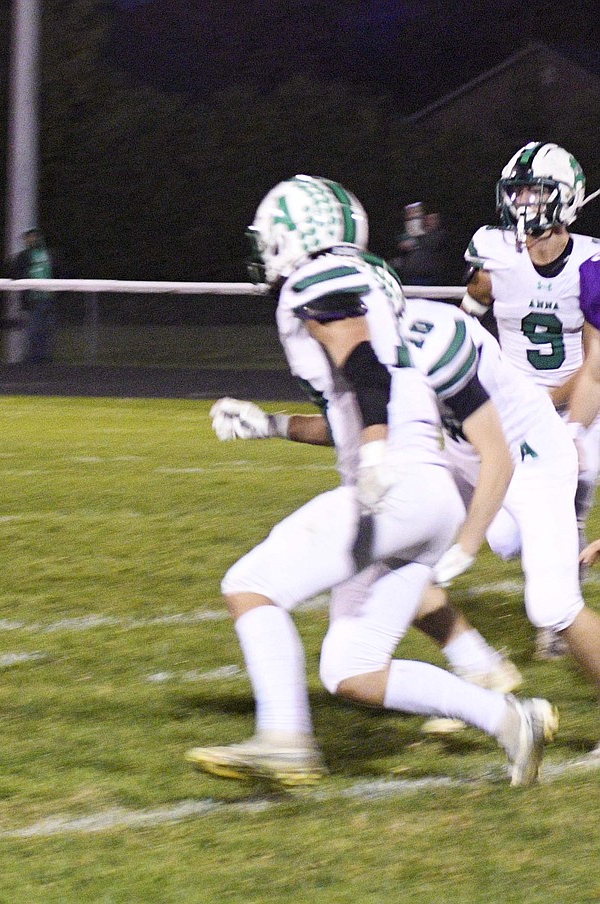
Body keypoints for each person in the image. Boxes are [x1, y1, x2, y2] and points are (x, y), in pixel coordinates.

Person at [185, 175, 557, 788]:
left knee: (249, 585)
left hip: (398, 487)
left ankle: (285, 739)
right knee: (350, 670)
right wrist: (273, 424)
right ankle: (510, 719)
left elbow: (365, 375)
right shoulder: (376, 285)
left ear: (295, 235)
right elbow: (359, 408)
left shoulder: (313, 282)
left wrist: (378, 458)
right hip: (431, 497)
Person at [400, 295, 600, 739]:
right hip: (470, 455)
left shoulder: (432, 335)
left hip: (530, 459)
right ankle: (481, 669)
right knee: (393, 544)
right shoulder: (375, 340)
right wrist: (276, 426)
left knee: (552, 604)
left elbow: (500, 457)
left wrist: (467, 542)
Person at [460, 141, 600, 660]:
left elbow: (597, 364)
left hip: (580, 398)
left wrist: (557, 411)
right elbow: (478, 291)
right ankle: (558, 571)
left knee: (573, 480)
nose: (523, 203)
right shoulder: (494, 249)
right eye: (517, 192)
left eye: (537, 193)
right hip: (514, 407)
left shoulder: (591, 263)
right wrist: (468, 319)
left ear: (566, 200)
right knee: (503, 537)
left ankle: (560, 614)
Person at [10, 228, 56, 363]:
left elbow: (60, 272)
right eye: (28, 238)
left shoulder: (50, 254)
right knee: (33, 330)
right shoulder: (23, 256)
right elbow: (15, 273)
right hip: (32, 299)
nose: (30, 240)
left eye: (33, 237)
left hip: (49, 298)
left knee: (47, 330)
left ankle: (45, 358)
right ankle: (33, 358)